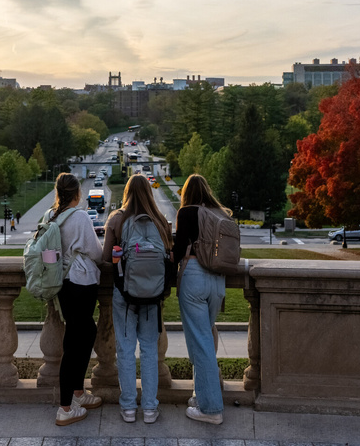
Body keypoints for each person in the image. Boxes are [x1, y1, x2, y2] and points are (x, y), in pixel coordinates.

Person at [101, 175, 173, 424]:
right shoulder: (160, 221)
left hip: (125, 294)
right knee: (150, 350)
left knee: (125, 349)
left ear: (127, 192)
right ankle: (151, 409)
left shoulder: (117, 219)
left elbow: (105, 258)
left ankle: (129, 407)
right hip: (153, 297)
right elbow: (168, 259)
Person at [48, 172, 107, 426]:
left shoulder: (50, 217)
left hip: (62, 284)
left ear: (58, 192)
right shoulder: (80, 217)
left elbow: (48, 255)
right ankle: (65, 407)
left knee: (81, 334)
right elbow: (96, 252)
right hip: (81, 284)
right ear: (78, 194)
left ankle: (78, 393)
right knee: (75, 342)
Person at [173, 174, 229, 425]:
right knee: (204, 338)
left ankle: (211, 409)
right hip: (217, 280)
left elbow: (176, 253)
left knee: (201, 342)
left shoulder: (186, 213)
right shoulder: (221, 214)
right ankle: (201, 395)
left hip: (194, 275)